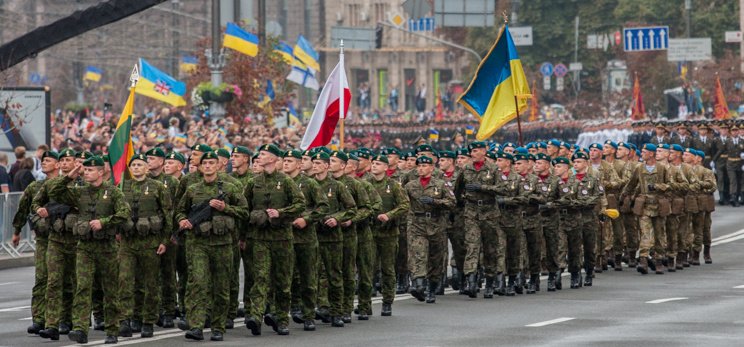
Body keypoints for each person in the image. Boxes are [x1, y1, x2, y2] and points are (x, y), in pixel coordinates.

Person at [49, 156, 130, 344]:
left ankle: (112, 329)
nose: (86, 173)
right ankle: (80, 329)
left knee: (109, 289)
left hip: (107, 247)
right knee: (83, 287)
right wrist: (70, 175)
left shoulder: (113, 192)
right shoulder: (80, 192)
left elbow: (124, 214)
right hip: (85, 247)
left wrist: (104, 222)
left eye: (90, 170)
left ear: (101, 172)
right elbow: (55, 191)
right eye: (85, 170)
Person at [176, 151, 248, 341]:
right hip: (198, 244)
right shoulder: (192, 190)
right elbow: (179, 211)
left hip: (222, 244)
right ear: (199, 167)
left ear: (218, 166)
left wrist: (226, 208)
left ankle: (218, 327)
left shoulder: (231, 189)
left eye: (211, 163)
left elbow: (244, 212)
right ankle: (197, 326)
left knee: (221, 286)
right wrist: (182, 220)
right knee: (198, 283)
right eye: (204, 163)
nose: (207, 166)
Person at [242, 144, 305, 336]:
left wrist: (281, 212)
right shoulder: (254, 182)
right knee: (260, 277)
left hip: (282, 238)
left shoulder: (285, 181)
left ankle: (281, 318)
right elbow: (244, 207)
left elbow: (300, 203)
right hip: (260, 237)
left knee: (282, 280)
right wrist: (246, 230)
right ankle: (256, 316)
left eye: (262, 154)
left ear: (273, 158)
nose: (259, 157)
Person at [117, 154, 171, 339]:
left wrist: (165, 240)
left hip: (150, 242)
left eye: (140, 165)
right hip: (128, 242)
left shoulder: (157, 187)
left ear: (147, 169)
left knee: (150, 283)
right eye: (134, 165)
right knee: (125, 280)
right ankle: (125, 319)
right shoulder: (123, 187)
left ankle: (148, 321)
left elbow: (167, 215)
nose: (137, 168)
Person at [12, 151, 59, 334]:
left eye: (48, 160)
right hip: (43, 239)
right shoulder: (34, 187)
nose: (44, 163)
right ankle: (39, 318)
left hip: (62, 240)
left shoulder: (65, 186)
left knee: (60, 281)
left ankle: (60, 319)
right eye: (43, 160)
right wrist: (16, 232)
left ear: (57, 164)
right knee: (41, 279)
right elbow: (23, 209)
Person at [35, 148, 78, 340]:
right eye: (64, 161)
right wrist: (40, 210)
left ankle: (70, 320)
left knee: (73, 283)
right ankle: (51, 323)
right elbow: (36, 203)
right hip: (56, 240)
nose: (67, 163)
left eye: (70, 160)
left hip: (77, 241)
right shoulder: (52, 185)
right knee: (53, 282)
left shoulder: (84, 185)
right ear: (59, 165)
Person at [283, 149, 328, 331]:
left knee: (308, 278)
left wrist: (306, 219)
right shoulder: (279, 182)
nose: (286, 163)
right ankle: (286, 312)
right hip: (283, 237)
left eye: (290, 161)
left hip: (306, 238)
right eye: (284, 160)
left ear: (299, 164)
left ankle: (309, 314)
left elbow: (323, 206)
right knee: (285, 278)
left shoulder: (309, 184)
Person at [310, 151, 356, 326]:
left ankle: (338, 311)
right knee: (317, 274)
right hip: (313, 235)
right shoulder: (309, 185)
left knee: (334, 275)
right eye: (313, 163)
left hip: (333, 237)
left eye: (319, 163)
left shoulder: (337, 186)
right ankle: (323, 306)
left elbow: (351, 208)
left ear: (327, 167)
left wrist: (337, 218)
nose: (315, 166)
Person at [453, 142, 502, 298]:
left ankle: (489, 282)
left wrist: (482, 188)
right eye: (471, 151)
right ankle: (471, 280)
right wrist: (461, 201)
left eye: (475, 151)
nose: (472, 154)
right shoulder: (466, 168)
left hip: (489, 213)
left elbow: (503, 189)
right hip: (471, 211)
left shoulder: (493, 168)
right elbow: (457, 189)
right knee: (472, 246)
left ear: (483, 151)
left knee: (490, 249)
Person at [404, 155, 455, 303]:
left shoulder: (441, 184)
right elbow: (403, 202)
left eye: (424, 166)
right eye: (419, 166)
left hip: (436, 223)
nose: (421, 168)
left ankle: (431, 288)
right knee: (418, 254)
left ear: (432, 168)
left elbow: (452, 202)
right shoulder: (410, 186)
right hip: (417, 223)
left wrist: (435, 201)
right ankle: (419, 285)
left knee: (435, 258)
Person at [621, 144, 672, 275]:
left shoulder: (662, 168)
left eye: (644, 152)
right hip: (644, 206)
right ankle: (643, 260)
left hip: (659, 205)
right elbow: (631, 184)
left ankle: (658, 260)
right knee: (645, 233)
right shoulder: (639, 168)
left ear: (651, 154)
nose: (641, 154)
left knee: (659, 234)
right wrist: (624, 197)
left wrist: (658, 187)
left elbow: (671, 185)